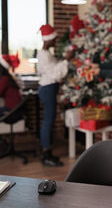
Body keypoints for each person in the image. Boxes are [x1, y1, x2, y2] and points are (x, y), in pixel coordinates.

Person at [37, 24, 73, 166]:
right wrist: (67, 60)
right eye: (54, 39)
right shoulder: (45, 56)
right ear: (49, 39)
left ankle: (47, 151)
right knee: (48, 121)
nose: (55, 41)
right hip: (48, 89)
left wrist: (62, 60)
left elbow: (53, 67)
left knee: (48, 120)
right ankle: (46, 154)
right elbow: (55, 74)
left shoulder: (45, 54)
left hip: (47, 89)